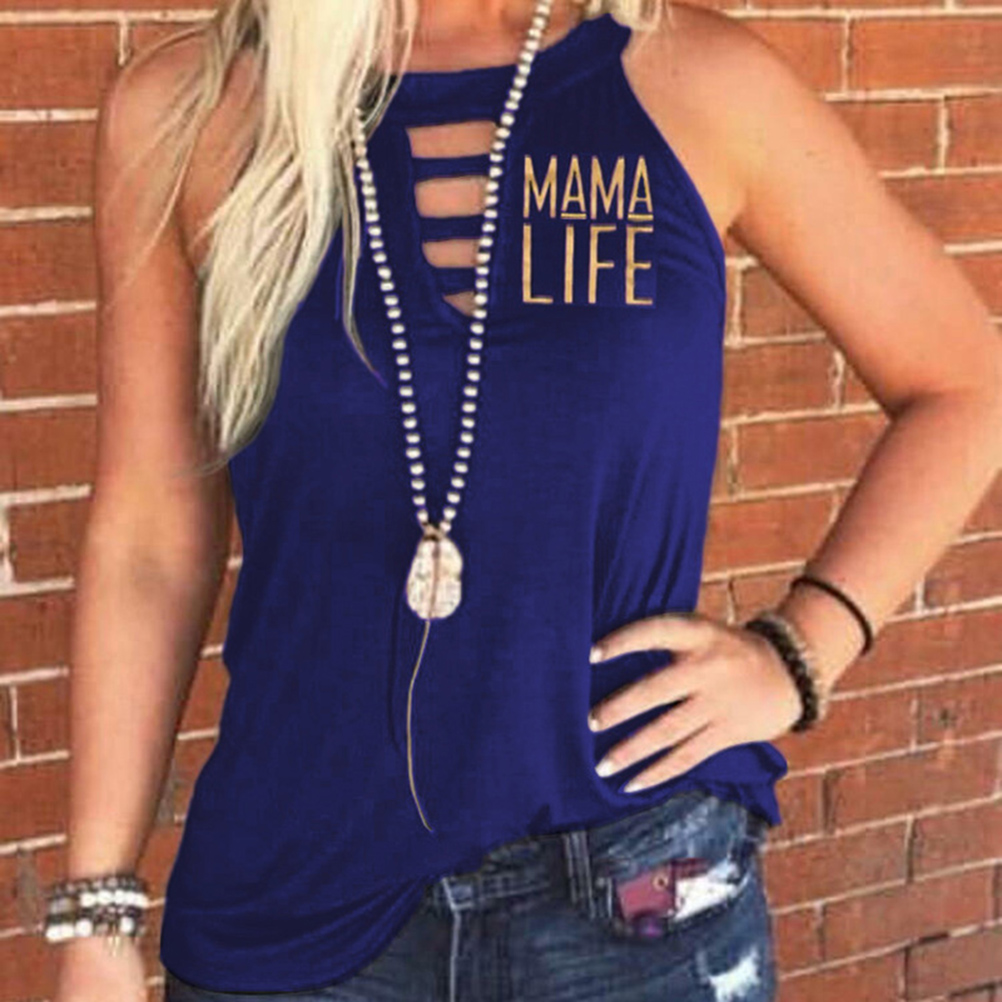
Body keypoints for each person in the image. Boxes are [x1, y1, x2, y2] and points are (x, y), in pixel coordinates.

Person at [46, 0, 1002, 1000]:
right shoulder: (192, 112)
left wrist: (802, 651)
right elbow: (149, 537)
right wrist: (95, 913)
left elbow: (962, 382)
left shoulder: (694, 82)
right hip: (296, 897)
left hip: (634, 892)